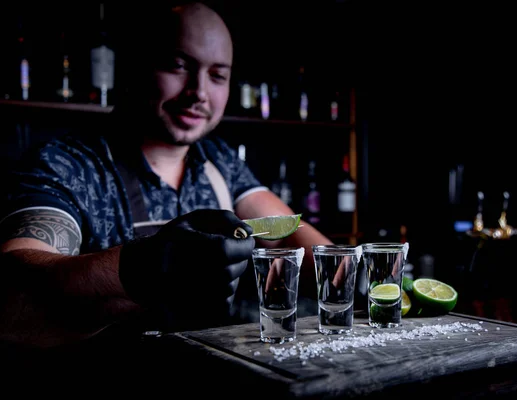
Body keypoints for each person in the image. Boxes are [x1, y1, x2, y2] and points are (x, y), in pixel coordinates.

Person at [0, 1, 333, 349]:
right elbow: (11, 294)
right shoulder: (65, 165)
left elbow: (282, 235)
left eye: (217, 75)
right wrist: (137, 269)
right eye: (178, 65)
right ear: (137, 65)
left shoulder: (219, 161)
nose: (198, 93)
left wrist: (347, 274)